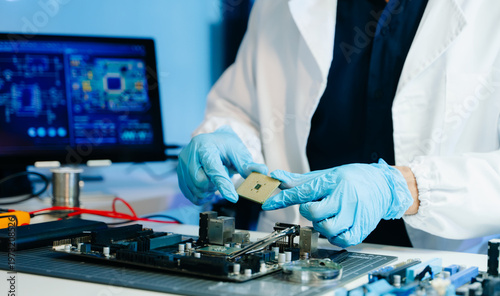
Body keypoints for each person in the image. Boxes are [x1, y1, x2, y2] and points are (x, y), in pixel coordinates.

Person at [177, 0, 500, 253]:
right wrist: (221, 140)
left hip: (441, 269)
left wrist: (403, 188)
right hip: (291, 261)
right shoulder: (278, 5)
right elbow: (243, 111)